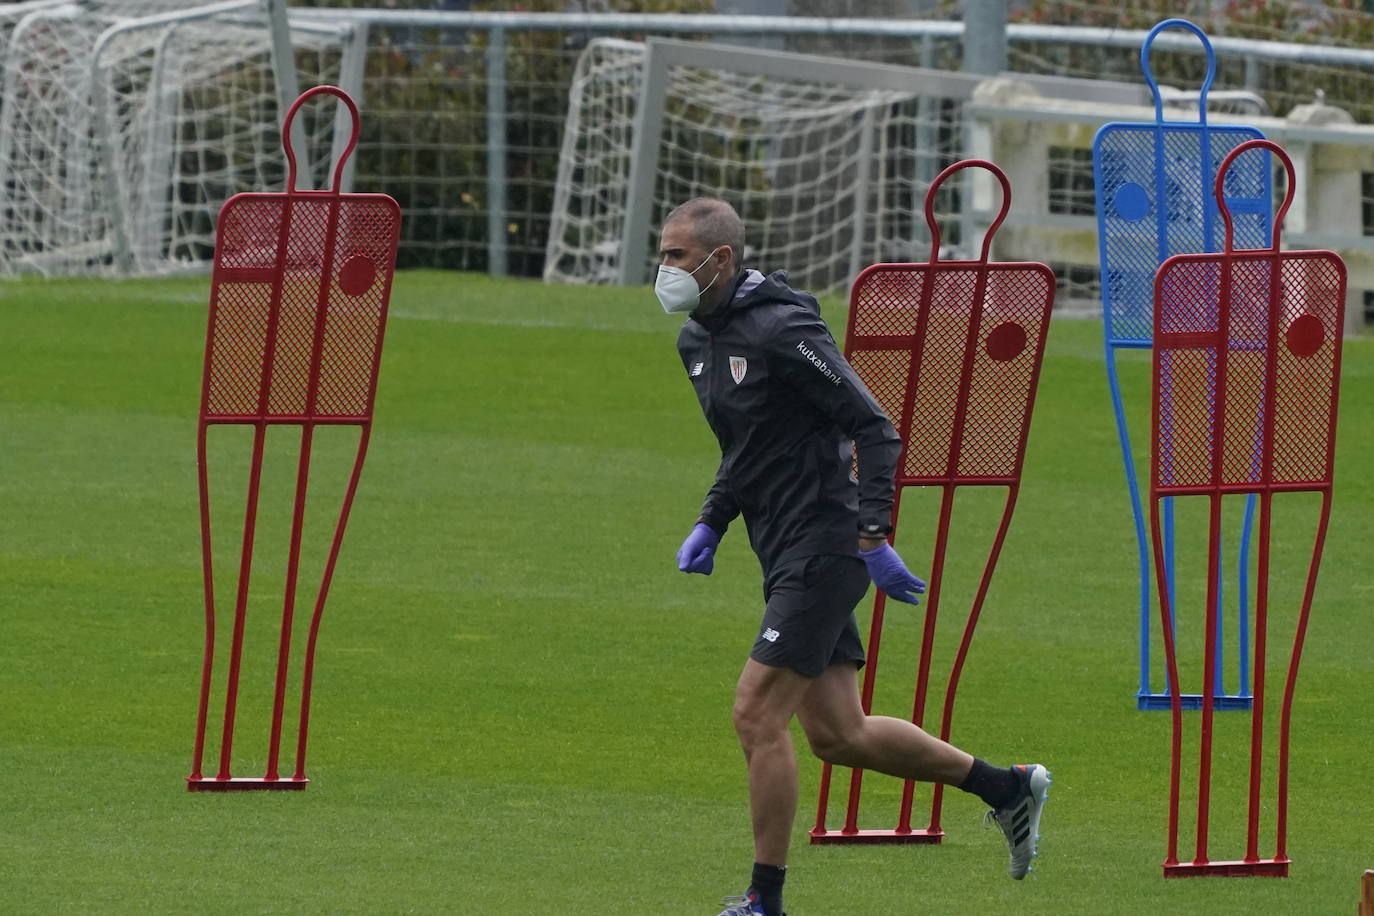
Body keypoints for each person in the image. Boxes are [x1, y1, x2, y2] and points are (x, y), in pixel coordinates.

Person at [656, 198, 1051, 916]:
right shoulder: (695, 341)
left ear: (720, 259)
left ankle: (763, 900)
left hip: (825, 544)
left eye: (677, 256)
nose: (664, 269)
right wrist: (713, 521)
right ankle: (1007, 787)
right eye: (663, 253)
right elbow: (746, 450)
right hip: (778, 548)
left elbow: (875, 428)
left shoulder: (782, 328)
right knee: (840, 735)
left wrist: (872, 537)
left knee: (755, 717)